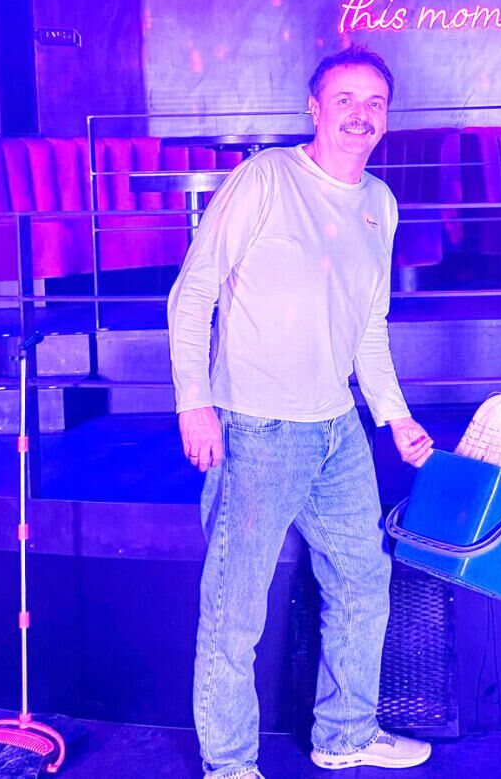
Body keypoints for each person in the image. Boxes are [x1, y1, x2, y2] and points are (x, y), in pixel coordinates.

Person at [167, 46, 434, 777]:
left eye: (374, 102)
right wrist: (194, 401)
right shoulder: (266, 178)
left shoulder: (379, 203)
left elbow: (369, 327)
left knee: (362, 581)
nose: (360, 114)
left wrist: (394, 416)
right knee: (235, 609)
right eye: (344, 99)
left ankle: (345, 735)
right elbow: (193, 293)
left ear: (387, 117)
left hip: (338, 429)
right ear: (314, 109)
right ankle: (229, 765)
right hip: (257, 427)